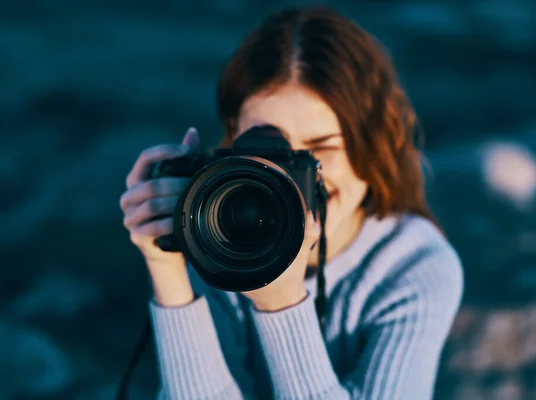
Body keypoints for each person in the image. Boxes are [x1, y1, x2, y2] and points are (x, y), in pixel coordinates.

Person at [119, 6, 463, 400]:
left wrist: (281, 306)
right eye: (272, 152)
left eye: (320, 150)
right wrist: (167, 267)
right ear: (232, 143)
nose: (293, 179)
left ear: (374, 145)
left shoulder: (413, 267)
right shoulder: (215, 229)